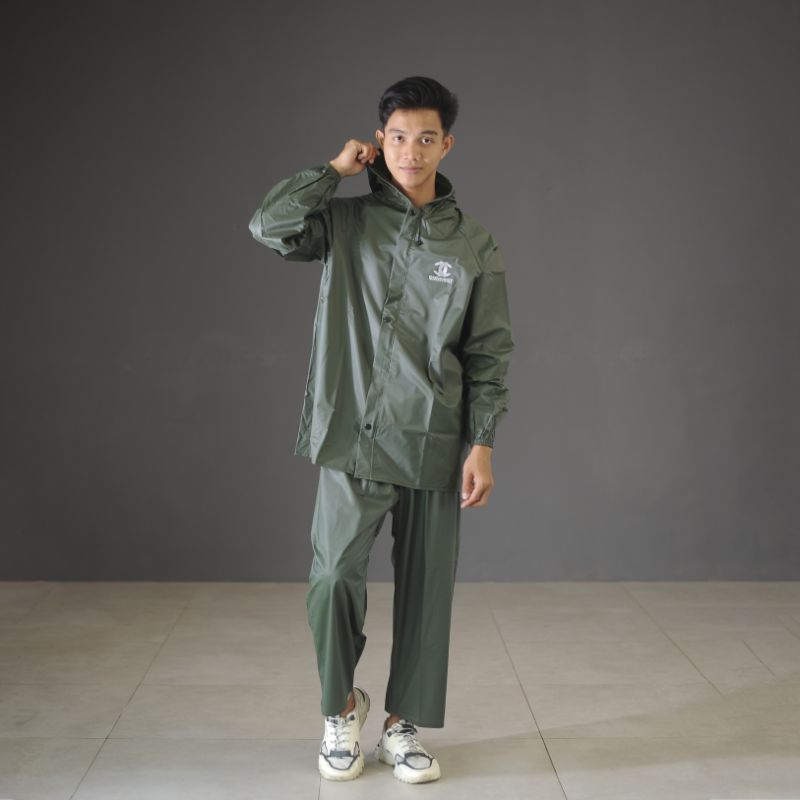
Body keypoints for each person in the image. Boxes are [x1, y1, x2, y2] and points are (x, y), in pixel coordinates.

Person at [248, 75, 514, 784]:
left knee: (427, 592)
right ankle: (341, 708)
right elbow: (268, 226)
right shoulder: (344, 223)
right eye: (398, 137)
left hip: (434, 439)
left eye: (426, 138)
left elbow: (488, 353)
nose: (410, 151)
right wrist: (331, 172)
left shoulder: (474, 245)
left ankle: (403, 725)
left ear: (446, 144)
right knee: (333, 577)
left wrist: (482, 443)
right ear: (379, 140)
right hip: (352, 437)